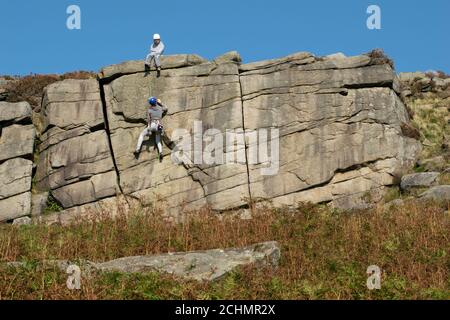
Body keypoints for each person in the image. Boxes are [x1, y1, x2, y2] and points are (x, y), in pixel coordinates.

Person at [134, 97, 168, 161]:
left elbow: (148, 120)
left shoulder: (149, 110)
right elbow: (166, 108)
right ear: (156, 102)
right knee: (158, 140)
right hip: (159, 126)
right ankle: (160, 152)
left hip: (152, 125)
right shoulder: (160, 108)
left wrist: (149, 130)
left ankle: (137, 149)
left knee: (142, 135)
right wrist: (160, 103)